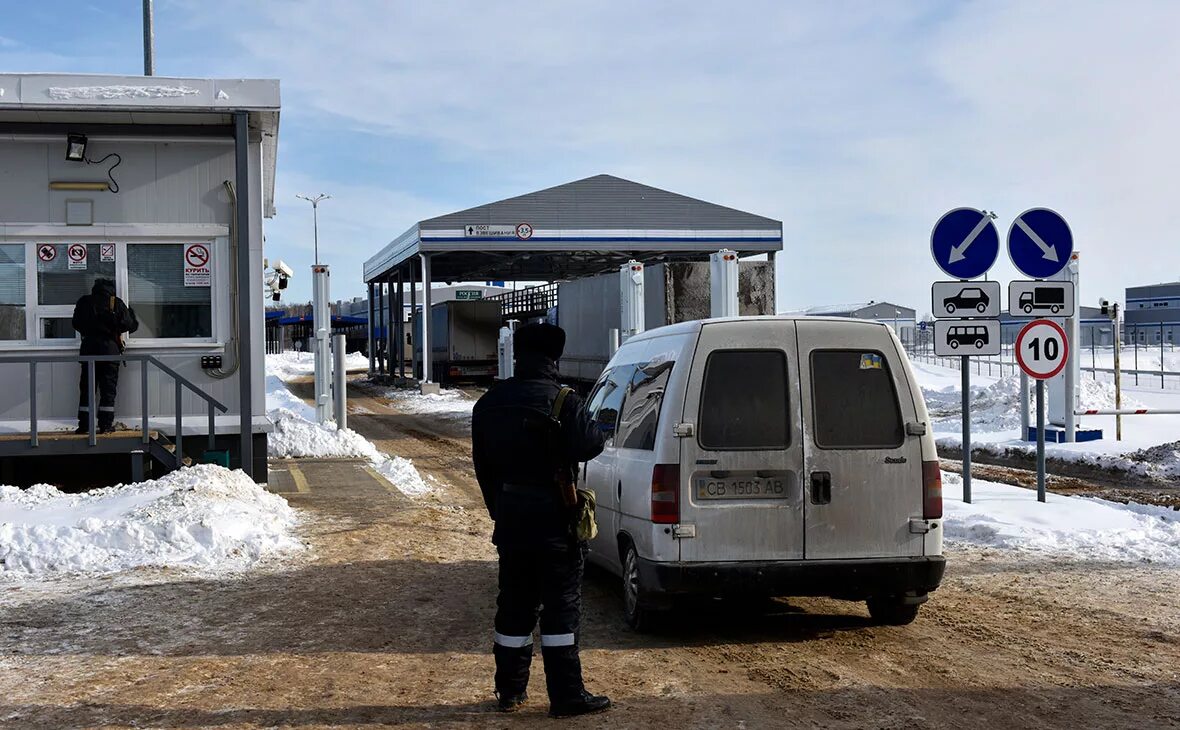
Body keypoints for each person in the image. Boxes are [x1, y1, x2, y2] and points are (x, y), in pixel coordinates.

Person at [471, 323, 610, 718]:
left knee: (514, 606)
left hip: (512, 522)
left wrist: (501, 509)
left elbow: (482, 467)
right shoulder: (564, 399)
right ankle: (566, 696)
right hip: (555, 524)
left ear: (518, 354)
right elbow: (592, 444)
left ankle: (510, 691)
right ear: (554, 358)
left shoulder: (489, 402)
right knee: (560, 610)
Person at [72, 278, 138, 434]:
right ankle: (105, 425)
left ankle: (84, 425)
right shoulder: (116, 303)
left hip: (88, 349)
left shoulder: (84, 302)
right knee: (108, 390)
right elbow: (130, 325)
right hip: (110, 350)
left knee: (87, 388)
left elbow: (76, 323)